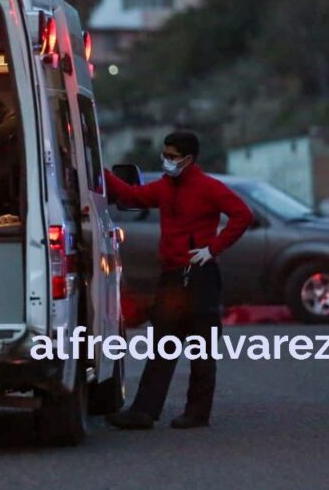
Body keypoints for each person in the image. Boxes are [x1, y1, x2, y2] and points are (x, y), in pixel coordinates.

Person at [106, 130, 252, 430]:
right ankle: (144, 412)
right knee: (163, 345)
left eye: (172, 157)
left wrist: (212, 248)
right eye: (165, 155)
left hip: (200, 277)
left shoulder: (209, 188)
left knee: (201, 348)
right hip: (173, 276)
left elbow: (242, 215)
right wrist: (102, 174)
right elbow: (132, 196)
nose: (166, 161)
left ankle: (197, 413)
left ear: (188, 159)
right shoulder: (165, 187)